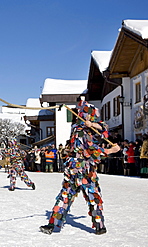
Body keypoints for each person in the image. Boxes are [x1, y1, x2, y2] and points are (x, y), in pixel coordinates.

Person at [39, 99, 120, 235]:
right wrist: (111, 151)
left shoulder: (82, 129)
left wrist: (93, 124)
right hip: (83, 169)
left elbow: (104, 128)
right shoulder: (80, 132)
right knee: (88, 196)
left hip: (74, 169)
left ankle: (52, 224)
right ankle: (98, 226)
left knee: (69, 196)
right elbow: (90, 150)